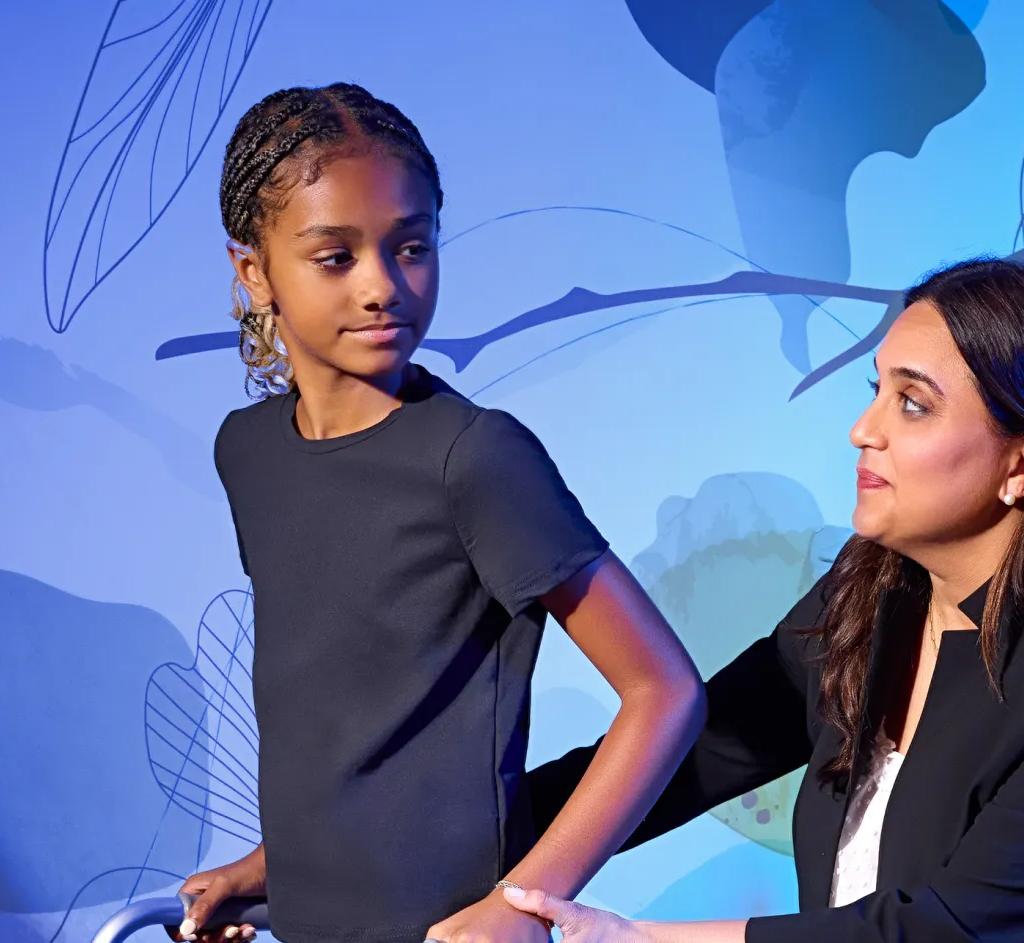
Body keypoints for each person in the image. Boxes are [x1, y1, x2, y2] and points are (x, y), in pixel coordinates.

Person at [502, 258, 1024, 942]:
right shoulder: (870, 590)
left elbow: (958, 926)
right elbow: (697, 753)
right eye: (877, 392)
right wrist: (448, 834)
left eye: (912, 403)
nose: (861, 430)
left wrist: (644, 938)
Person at [172, 83, 706, 943]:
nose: (385, 285)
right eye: (335, 256)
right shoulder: (247, 451)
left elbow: (665, 691)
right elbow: (348, 724)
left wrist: (521, 903)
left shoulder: (477, 458)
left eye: (411, 246)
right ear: (253, 270)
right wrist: (271, 867)